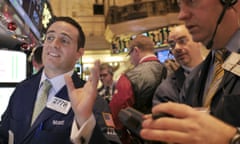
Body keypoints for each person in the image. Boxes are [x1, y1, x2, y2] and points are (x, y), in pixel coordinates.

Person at [0, 16, 118, 144]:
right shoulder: (22, 89)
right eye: (50, 38)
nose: (54, 45)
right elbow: (4, 134)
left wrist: (85, 123)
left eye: (64, 40)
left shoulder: (92, 101)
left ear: (79, 53)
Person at [140, 0, 240, 143]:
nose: (181, 15)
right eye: (180, 5)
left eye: (192, 1)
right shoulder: (194, 78)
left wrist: (232, 139)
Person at [109, 35, 167, 143]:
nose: (130, 59)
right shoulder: (172, 70)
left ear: (136, 51)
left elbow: (117, 112)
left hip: (143, 137)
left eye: (129, 54)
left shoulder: (129, 77)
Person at [153, 24, 204, 105]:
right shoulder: (166, 91)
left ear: (198, 41)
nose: (176, 48)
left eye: (182, 41)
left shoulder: (220, 71)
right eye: (172, 45)